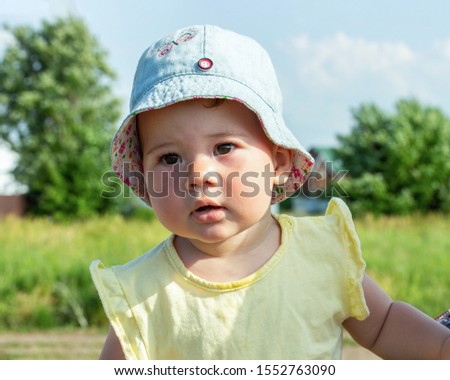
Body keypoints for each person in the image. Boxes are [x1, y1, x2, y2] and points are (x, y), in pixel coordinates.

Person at [90, 25, 450, 360]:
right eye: (169, 157)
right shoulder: (140, 293)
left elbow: (384, 324)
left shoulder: (322, 255)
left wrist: (441, 346)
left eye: (224, 148)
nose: (198, 175)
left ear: (277, 163)